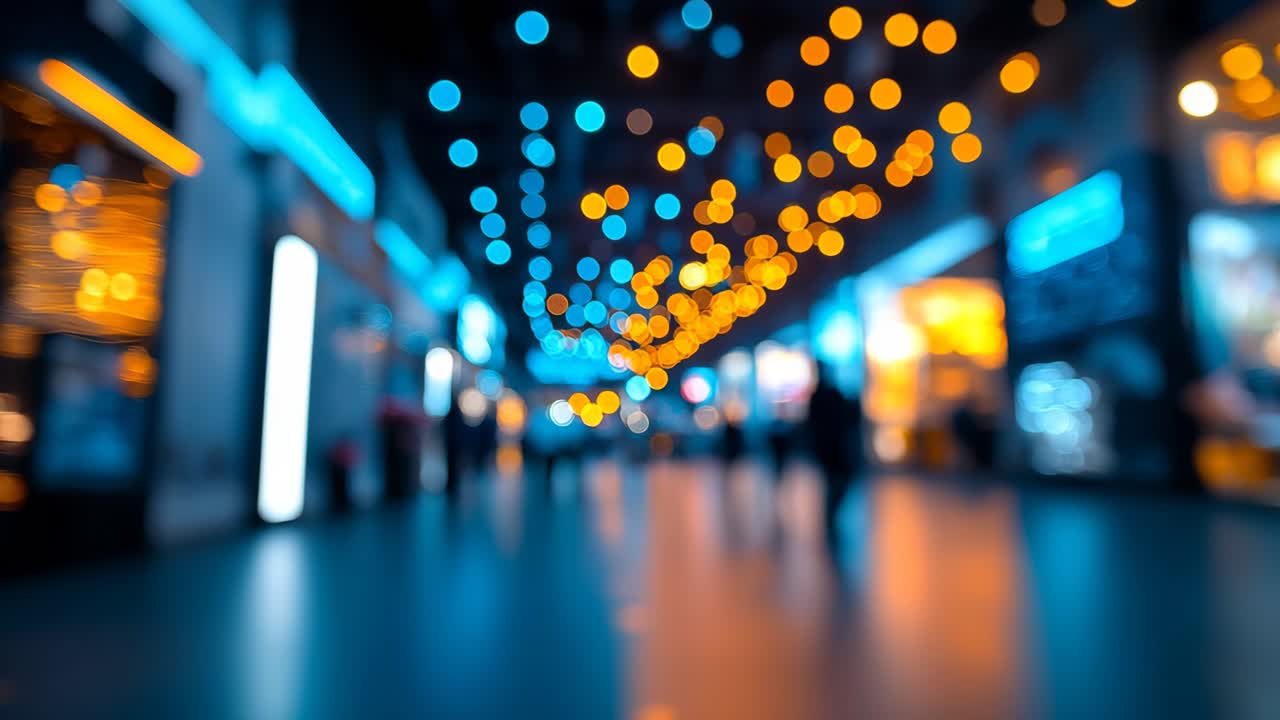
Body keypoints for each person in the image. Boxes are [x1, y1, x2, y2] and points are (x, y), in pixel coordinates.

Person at [806, 366, 862, 541]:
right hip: (834, 449)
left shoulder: (821, 396)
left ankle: (830, 517)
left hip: (830, 449)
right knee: (837, 482)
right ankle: (830, 518)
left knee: (834, 483)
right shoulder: (827, 395)